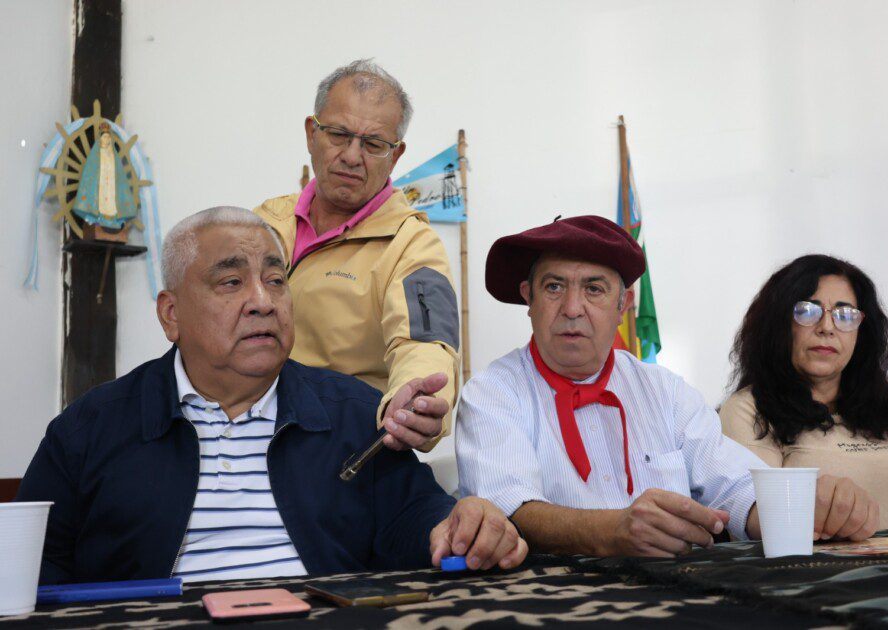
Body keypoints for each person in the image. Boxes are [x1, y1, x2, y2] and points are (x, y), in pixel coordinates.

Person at [16, 207, 526, 584]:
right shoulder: (91, 428)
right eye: (231, 282)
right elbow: (35, 568)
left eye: (276, 280)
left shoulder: (351, 414)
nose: (262, 301)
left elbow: (415, 518)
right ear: (171, 314)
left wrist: (457, 525)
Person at [456, 216, 878, 558]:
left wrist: (807, 507)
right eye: (554, 287)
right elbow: (509, 509)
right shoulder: (491, 393)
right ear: (528, 299)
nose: (572, 308)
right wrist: (612, 531)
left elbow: (734, 488)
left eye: (594, 289)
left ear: (623, 305)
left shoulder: (665, 391)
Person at [254, 59, 459, 452]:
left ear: (395, 156)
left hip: (338, 445)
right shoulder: (264, 223)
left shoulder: (414, 246)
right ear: (311, 133)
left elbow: (425, 343)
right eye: (338, 135)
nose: (351, 156)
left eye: (373, 144)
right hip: (239, 434)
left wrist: (416, 395)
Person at [720, 254, 888, 531]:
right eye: (807, 311)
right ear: (778, 324)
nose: (827, 328)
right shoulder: (749, 410)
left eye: (845, 315)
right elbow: (763, 523)